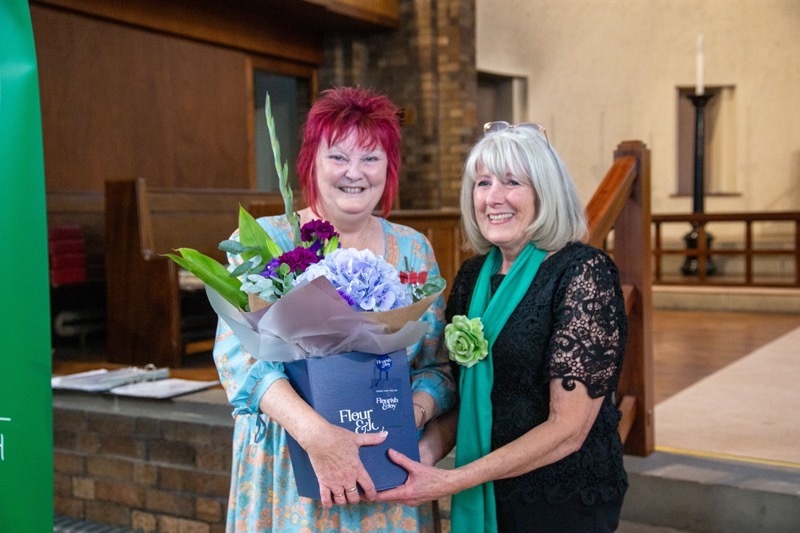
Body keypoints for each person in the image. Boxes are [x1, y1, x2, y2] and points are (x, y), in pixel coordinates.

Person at [212, 86, 456, 532]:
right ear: (311, 162)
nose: (354, 173)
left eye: (371, 158)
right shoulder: (266, 242)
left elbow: (434, 367)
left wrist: (407, 419)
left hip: (386, 470)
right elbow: (239, 358)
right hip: (290, 466)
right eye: (338, 157)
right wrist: (318, 436)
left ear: (389, 167)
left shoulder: (413, 251)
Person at [377, 122, 629, 532]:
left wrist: (454, 479)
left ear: (544, 193)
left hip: (561, 498)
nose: (493, 198)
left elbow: (568, 430)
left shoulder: (583, 273)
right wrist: (420, 454)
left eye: (512, 182)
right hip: (490, 487)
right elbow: (469, 400)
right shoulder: (474, 276)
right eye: (483, 182)